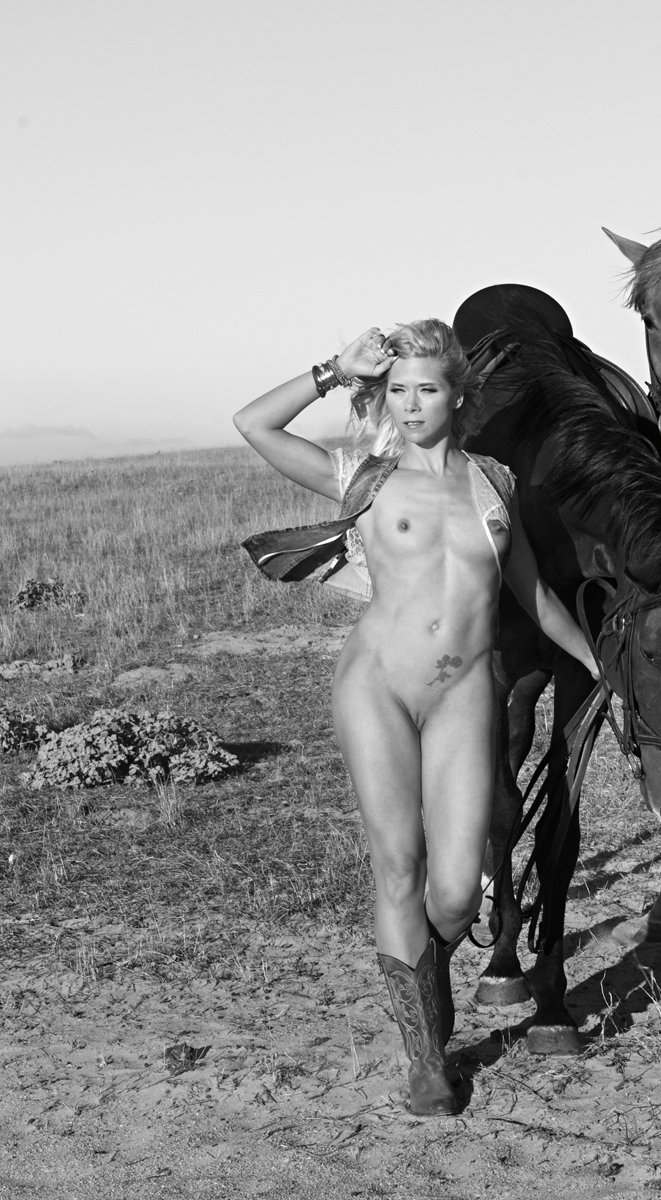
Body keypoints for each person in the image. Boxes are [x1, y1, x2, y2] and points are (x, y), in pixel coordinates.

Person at [234, 319, 600, 1115]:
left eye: (426, 388)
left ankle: (426, 968)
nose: (408, 404)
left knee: (457, 893)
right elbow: (253, 424)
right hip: (377, 688)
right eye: (396, 389)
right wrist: (334, 371)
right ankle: (427, 1057)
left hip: (464, 692)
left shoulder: (495, 483)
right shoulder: (363, 477)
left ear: (458, 395)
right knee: (398, 865)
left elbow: (533, 593)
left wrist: (594, 659)